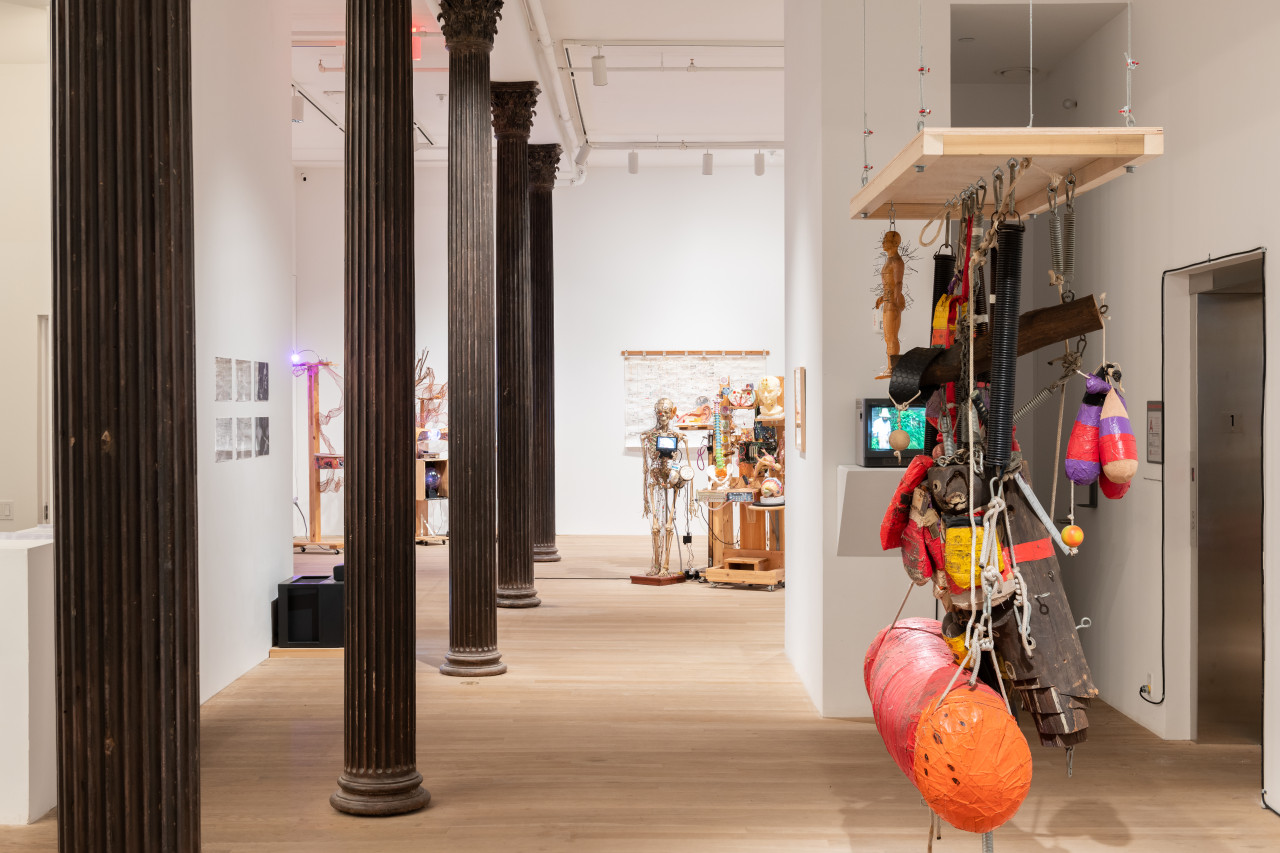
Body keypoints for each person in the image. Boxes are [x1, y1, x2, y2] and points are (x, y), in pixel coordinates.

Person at [874, 230, 906, 379]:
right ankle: (890, 367)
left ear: (894, 243)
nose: (883, 242)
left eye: (886, 239)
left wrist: (896, 300)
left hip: (892, 304)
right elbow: (890, 284)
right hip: (888, 302)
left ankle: (893, 368)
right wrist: (883, 298)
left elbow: (898, 283)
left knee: (892, 336)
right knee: (888, 337)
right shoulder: (890, 260)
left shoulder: (897, 261)